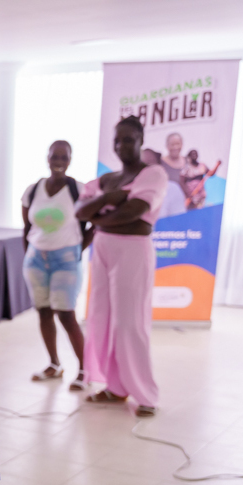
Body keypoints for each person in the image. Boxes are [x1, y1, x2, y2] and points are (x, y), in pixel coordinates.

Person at [76, 115, 169, 417]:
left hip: (132, 251)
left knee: (130, 323)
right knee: (101, 319)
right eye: (117, 140)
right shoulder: (107, 180)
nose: (121, 145)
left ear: (141, 141)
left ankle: (145, 395)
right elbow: (80, 211)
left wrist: (100, 214)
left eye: (128, 139)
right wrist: (112, 198)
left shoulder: (153, 174)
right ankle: (115, 388)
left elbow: (136, 211)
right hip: (102, 251)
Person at [21, 140, 91, 390]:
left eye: (64, 157)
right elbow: (27, 228)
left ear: (70, 160)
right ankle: (54, 364)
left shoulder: (78, 190)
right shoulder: (33, 189)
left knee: (66, 314)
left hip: (66, 259)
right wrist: (28, 254)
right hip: (36, 259)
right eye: (55, 157)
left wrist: (77, 249)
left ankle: (85, 369)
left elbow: (96, 223)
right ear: (47, 158)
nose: (59, 162)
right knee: (44, 312)